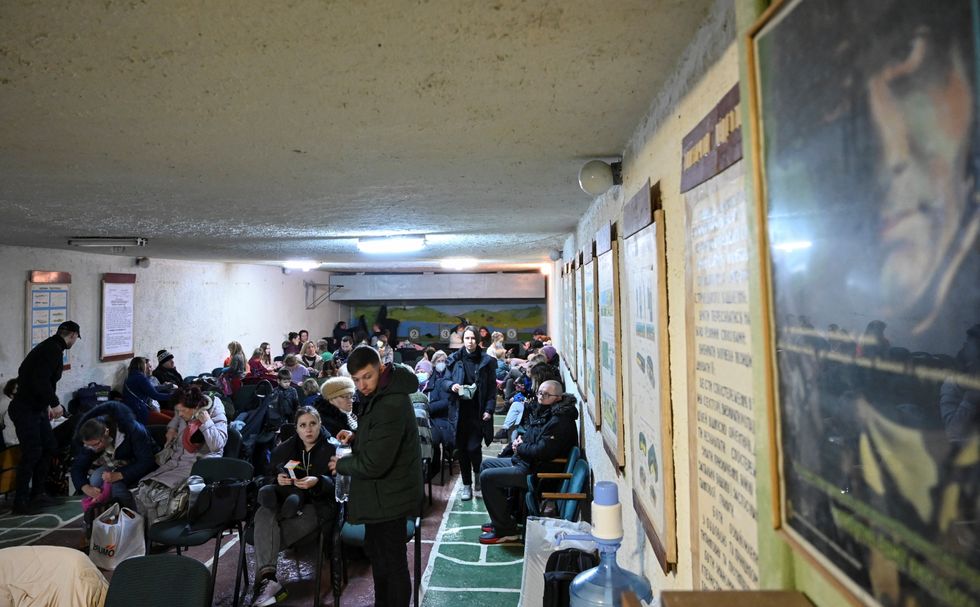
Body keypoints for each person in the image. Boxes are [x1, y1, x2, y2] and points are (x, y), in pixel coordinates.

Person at [328, 346, 421, 607]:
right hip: (382, 496)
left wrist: (342, 464)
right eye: (356, 379)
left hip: (391, 495)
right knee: (381, 563)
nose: (362, 385)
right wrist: (357, 436)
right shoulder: (383, 392)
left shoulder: (391, 402)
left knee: (391, 565)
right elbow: (379, 436)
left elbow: (374, 464)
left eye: (367, 377)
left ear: (381, 369)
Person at [251, 406, 336, 606]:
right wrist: (276, 479)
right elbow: (265, 477)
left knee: (264, 538)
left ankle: (265, 583)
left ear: (320, 424)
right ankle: (270, 580)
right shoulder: (284, 449)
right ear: (296, 428)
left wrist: (319, 481)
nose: (309, 429)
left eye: (313, 424)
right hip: (284, 502)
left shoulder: (332, 448)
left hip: (316, 507)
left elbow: (342, 486)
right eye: (303, 425)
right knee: (264, 512)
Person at [478, 380, 578, 543]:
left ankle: (505, 530)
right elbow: (535, 436)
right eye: (540, 393)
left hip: (536, 472)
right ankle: (503, 518)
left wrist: (521, 446)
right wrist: (521, 440)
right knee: (486, 465)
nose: (540, 397)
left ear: (558, 398)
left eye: (546, 395)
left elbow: (543, 451)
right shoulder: (546, 411)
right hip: (526, 461)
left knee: (488, 477)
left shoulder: (560, 421)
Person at [9, 320, 79, 514]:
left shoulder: (47, 346)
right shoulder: (53, 350)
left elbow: (26, 373)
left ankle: (38, 493)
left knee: (49, 446)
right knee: (32, 453)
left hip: (35, 407)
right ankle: (20, 501)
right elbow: (40, 380)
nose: (74, 342)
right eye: (75, 338)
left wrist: (45, 403)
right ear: (72, 335)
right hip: (26, 409)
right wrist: (54, 403)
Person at [134, 385, 228, 526]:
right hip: (178, 460)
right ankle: (147, 536)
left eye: (183, 411)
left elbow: (217, 445)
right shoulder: (184, 410)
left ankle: (160, 534)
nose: (181, 414)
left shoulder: (214, 411)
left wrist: (206, 422)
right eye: (179, 411)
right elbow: (177, 416)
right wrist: (172, 428)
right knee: (142, 489)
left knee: (161, 496)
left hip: (199, 464)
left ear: (196, 408)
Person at [72, 400, 158, 511]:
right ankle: (107, 511)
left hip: (143, 462)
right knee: (95, 479)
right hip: (118, 463)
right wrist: (86, 487)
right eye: (89, 446)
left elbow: (146, 461)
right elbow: (78, 467)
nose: (94, 448)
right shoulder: (92, 440)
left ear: (106, 432)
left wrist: (120, 474)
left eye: (96, 444)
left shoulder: (134, 430)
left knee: (115, 484)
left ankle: (131, 515)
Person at [444, 326, 497, 500]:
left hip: (478, 412)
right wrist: (451, 386)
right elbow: (443, 380)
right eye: (467, 338)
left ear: (478, 340)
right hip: (459, 413)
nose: (470, 341)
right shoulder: (454, 359)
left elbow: (491, 390)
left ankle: (477, 476)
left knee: (474, 448)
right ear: (463, 340)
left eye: (473, 338)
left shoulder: (487, 361)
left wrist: (489, 409)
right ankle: (466, 485)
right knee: (462, 450)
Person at [423, 350, 456, 480]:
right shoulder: (429, 379)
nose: (441, 364)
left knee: (433, 436)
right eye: (438, 361)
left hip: (444, 418)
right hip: (430, 417)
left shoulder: (449, 379)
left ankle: (434, 467)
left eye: (443, 361)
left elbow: (447, 402)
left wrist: (428, 408)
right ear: (434, 363)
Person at [123, 356, 175, 425]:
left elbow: (149, 389)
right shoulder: (140, 378)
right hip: (142, 413)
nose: (149, 368)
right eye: (146, 365)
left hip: (134, 411)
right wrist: (173, 396)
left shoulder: (130, 377)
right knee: (172, 421)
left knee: (175, 416)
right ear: (142, 365)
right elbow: (155, 395)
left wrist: (166, 387)